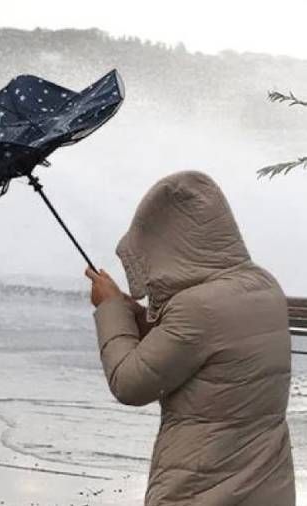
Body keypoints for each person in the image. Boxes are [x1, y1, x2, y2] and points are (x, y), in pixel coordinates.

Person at [85, 170, 295, 505]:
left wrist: (110, 308)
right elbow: (201, 350)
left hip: (201, 487)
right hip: (265, 486)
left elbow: (130, 384)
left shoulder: (197, 307)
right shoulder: (263, 285)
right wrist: (133, 313)